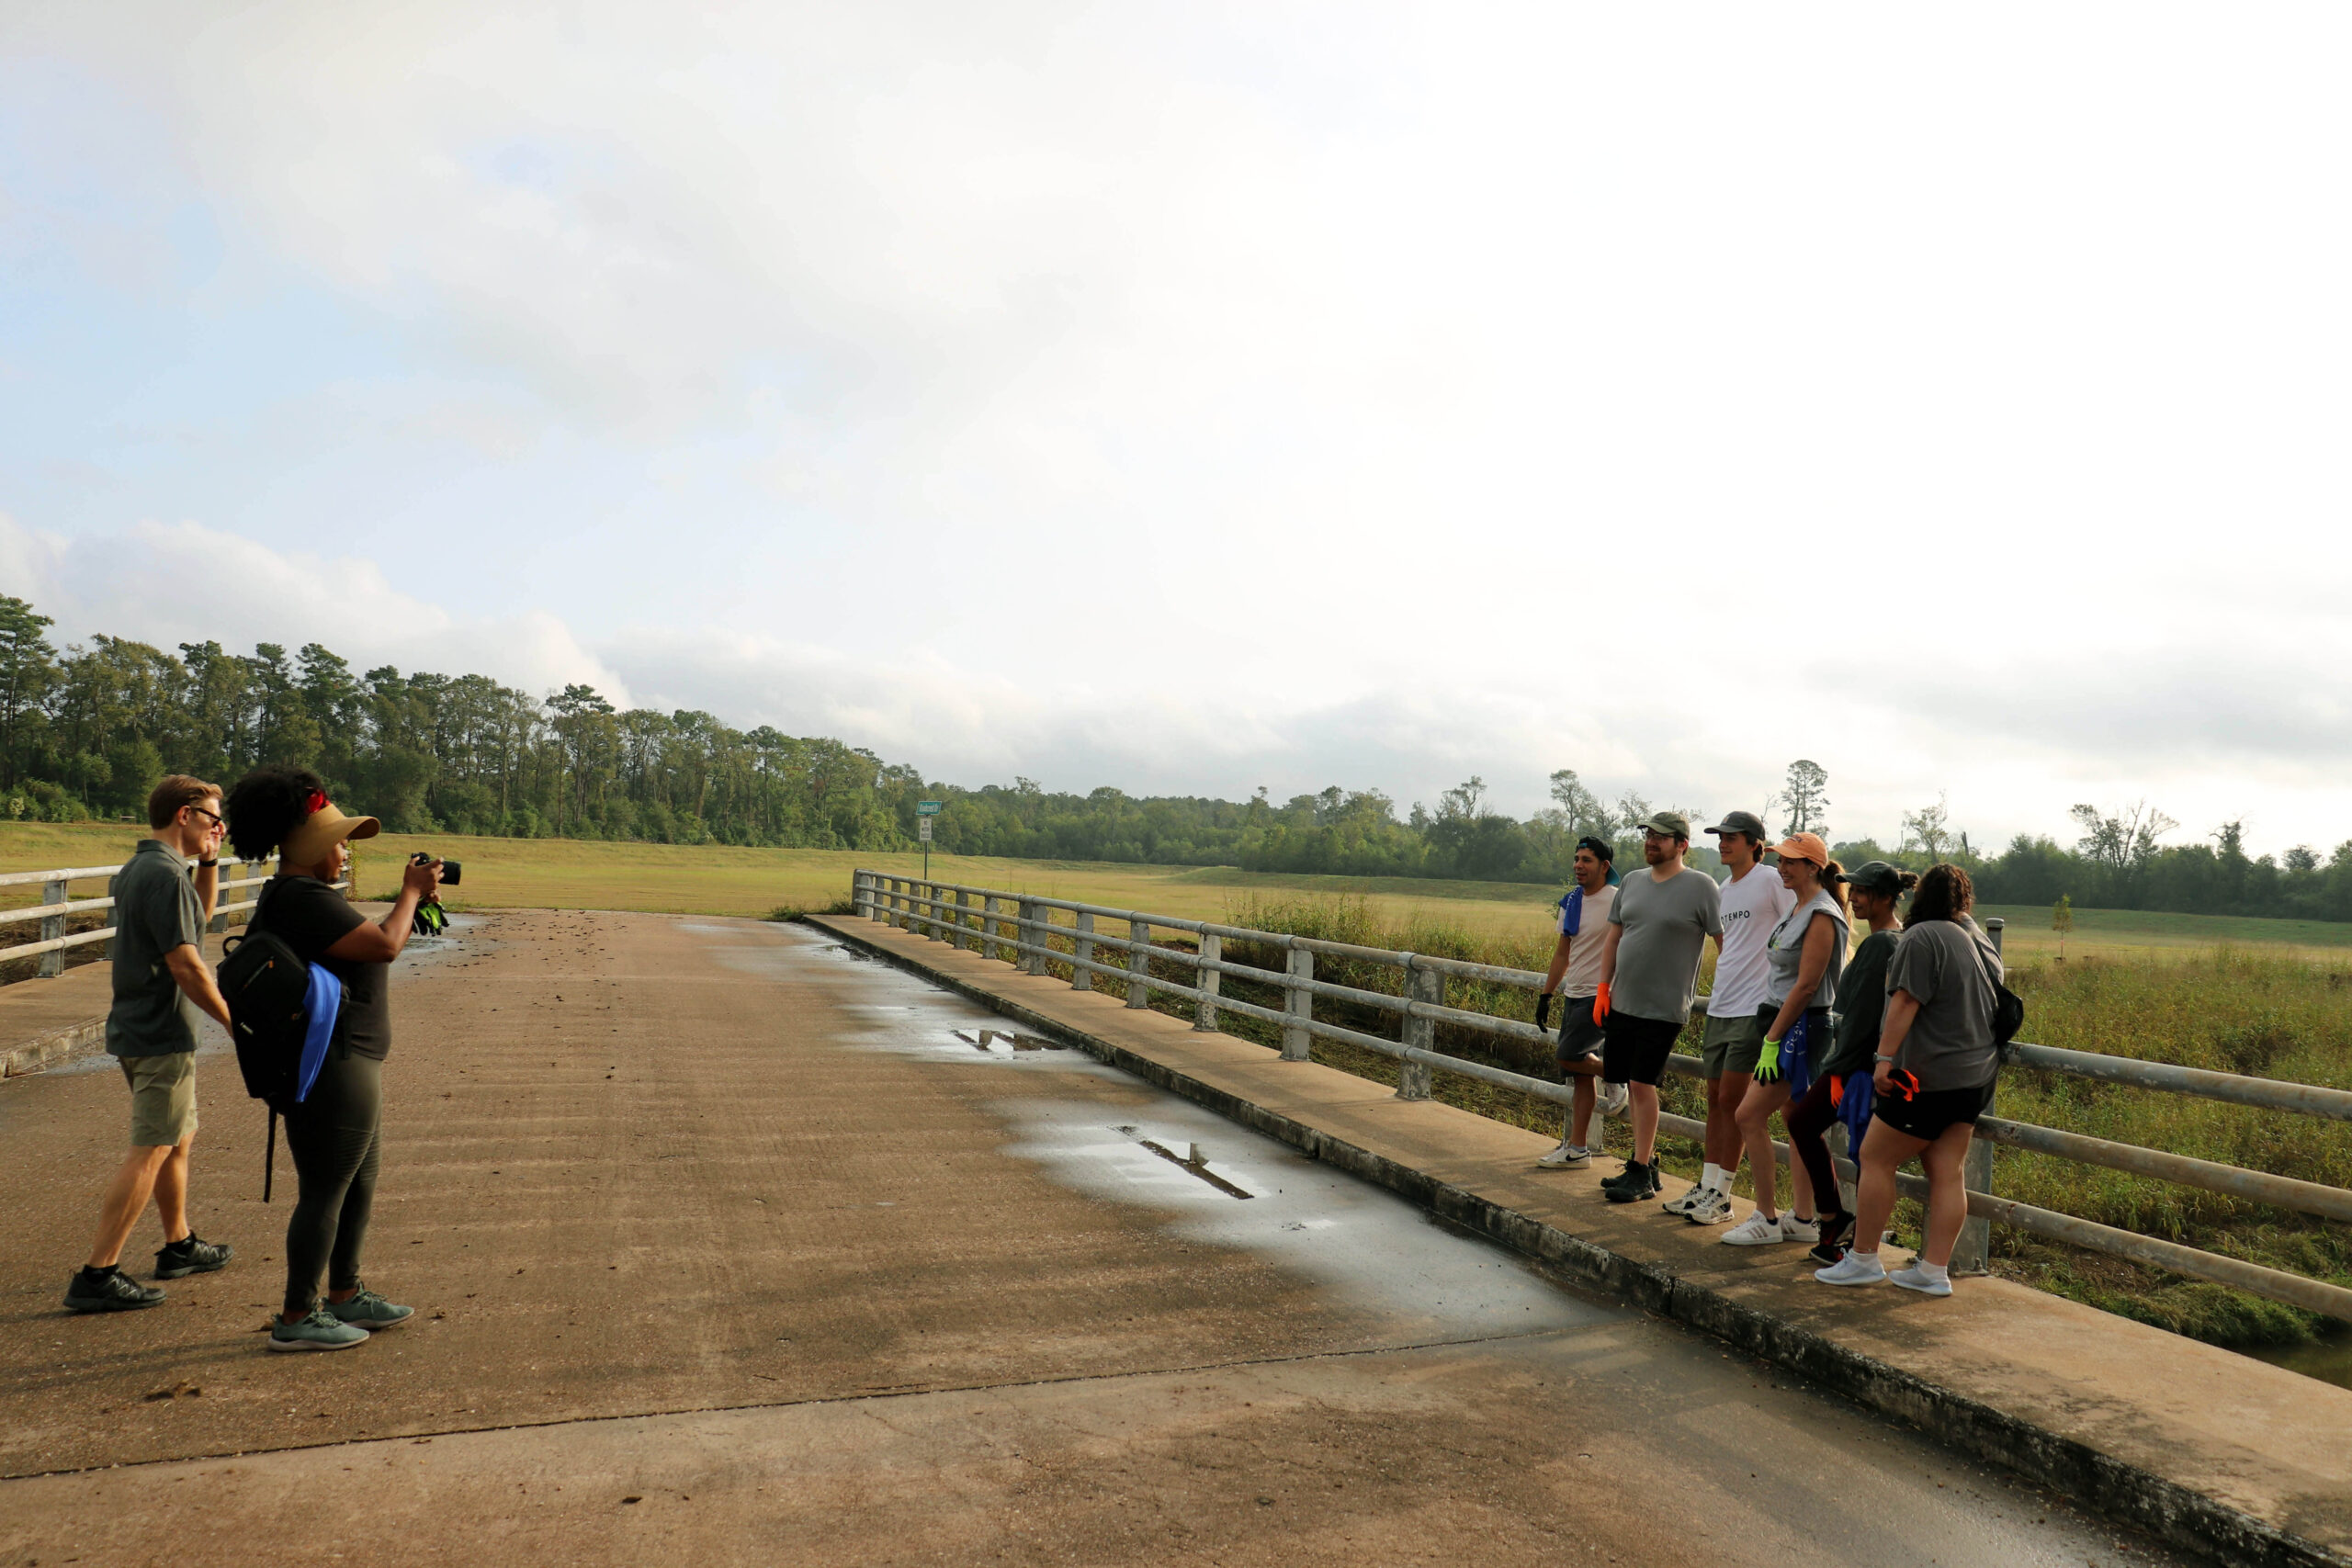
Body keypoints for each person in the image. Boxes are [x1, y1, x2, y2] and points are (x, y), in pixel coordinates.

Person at [222, 765, 441, 1351]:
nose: (345, 851)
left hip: (349, 1060)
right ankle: (297, 1314)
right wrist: (412, 892)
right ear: (311, 845)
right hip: (335, 1064)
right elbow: (383, 946)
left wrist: (413, 904)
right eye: (340, 841)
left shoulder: (303, 897)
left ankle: (345, 1293)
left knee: (357, 1181)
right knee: (326, 1188)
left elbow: (364, 943)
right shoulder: (300, 896)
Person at [63, 776, 238, 1313]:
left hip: (142, 1027)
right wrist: (237, 1023)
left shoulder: (146, 869)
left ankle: (178, 1244)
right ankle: (98, 1273)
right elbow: (186, 962)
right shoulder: (163, 877)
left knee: (176, 1139)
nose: (219, 829)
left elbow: (198, 923)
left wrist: (210, 862)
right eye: (212, 819)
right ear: (183, 815)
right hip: (161, 1032)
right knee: (152, 1147)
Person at [1815, 863, 2003, 1297]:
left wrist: (1883, 1061)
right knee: (1947, 1171)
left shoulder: (1922, 937)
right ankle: (1933, 1271)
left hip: (1927, 1077)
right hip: (1974, 1078)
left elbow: (1904, 1002)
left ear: (1921, 900)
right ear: (1965, 902)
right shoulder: (1972, 939)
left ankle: (1862, 1259)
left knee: (1877, 1156)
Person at [1721, 834, 1849, 1246]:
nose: (1783, 867)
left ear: (1814, 866)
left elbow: (1808, 985)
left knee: (1748, 1116)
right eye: (1781, 860)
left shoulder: (1822, 915)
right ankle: (1804, 1217)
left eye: (1793, 861)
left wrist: (1774, 1039)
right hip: (1782, 1023)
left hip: (1799, 1028)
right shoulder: (1798, 908)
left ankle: (1766, 1218)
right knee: (1796, 1120)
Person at [1786, 862, 1917, 1264]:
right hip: (1875, 1062)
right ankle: (1849, 1231)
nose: (1854, 899)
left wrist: (1837, 1067)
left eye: (1861, 892)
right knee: (1865, 1150)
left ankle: (1837, 1223)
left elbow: (1858, 1013)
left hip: (1857, 1065)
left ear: (1883, 897)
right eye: (1853, 891)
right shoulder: (1900, 939)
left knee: (1805, 1124)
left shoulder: (1881, 945)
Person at [1672, 810, 1795, 1224]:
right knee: (1713, 1100)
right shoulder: (1723, 888)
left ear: (1754, 843)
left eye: (1732, 837)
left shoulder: (1773, 880)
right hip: (1721, 1005)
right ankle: (1706, 1185)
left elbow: (1798, 927)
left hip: (1754, 1008)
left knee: (1733, 1101)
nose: (1723, 843)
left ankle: (1723, 1195)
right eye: (1720, 837)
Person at [1595, 811, 1724, 1203]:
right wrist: (1603, 987)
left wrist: (1731, 992)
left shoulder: (1701, 886)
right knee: (1627, 1082)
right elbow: (1614, 938)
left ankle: (1638, 1171)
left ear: (1682, 844)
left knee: (1642, 1082)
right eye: (1648, 835)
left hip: (1664, 1006)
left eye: (1661, 837)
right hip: (1623, 1000)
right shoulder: (1632, 881)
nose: (1651, 842)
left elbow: (1726, 944)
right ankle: (1646, 1164)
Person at [1533, 837, 1628, 1168]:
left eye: (1587, 860)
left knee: (1569, 1055)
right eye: (1576, 859)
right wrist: (1547, 994)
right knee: (1579, 1075)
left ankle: (1616, 1074)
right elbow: (1563, 952)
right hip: (1573, 993)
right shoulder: (1571, 902)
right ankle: (1577, 1149)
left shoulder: (1618, 900)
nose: (1578, 865)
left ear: (1605, 866)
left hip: (1601, 995)